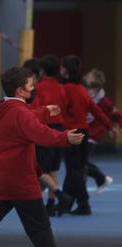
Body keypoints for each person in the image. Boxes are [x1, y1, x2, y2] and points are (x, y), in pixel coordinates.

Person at [0, 66, 85, 247]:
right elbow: (40, 133)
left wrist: (45, 112)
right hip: (19, 181)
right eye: (31, 86)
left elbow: (24, 117)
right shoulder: (19, 113)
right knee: (40, 228)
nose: (34, 89)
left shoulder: (4, 109)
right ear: (20, 91)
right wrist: (66, 138)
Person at [59, 55, 112, 215]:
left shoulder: (64, 90)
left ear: (66, 71)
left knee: (74, 170)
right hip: (84, 132)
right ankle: (66, 205)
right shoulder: (82, 90)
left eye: (62, 67)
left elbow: (57, 110)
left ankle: (84, 203)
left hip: (71, 133)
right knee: (75, 169)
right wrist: (109, 126)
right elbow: (96, 110)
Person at [29, 55, 72, 217]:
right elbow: (66, 106)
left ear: (42, 71)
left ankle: (59, 193)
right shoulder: (61, 87)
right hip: (59, 128)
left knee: (39, 169)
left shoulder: (38, 87)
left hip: (45, 127)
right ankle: (52, 203)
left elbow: (36, 107)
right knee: (54, 168)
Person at [83, 68, 121, 193]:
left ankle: (101, 178)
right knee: (81, 162)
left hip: (93, 134)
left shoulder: (104, 101)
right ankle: (99, 180)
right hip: (83, 131)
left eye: (89, 77)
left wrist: (115, 127)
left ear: (96, 85)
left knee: (81, 162)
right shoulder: (84, 92)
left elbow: (116, 115)